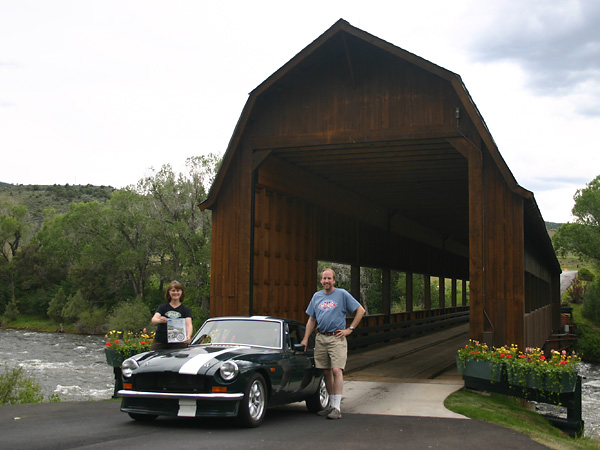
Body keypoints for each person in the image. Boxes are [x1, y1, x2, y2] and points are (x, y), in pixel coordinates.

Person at [300, 268, 365, 420]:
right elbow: (311, 319)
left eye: (329, 279)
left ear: (334, 280)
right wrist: (305, 339)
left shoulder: (341, 294)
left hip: (337, 337)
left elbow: (360, 310)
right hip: (321, 337)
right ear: (321, 280)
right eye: (324, 279)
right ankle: (330, 404)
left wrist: (350, 329)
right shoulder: (316, 296)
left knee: (336, 370)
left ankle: (337, 407)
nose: (326, 281)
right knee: (326, 371)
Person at [150, 280, 193, 350]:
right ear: (169, 293)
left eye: (178, 290)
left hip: (179, 343)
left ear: (181, 293)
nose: (175, 293)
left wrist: (188, 336)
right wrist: (160, 320)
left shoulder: (186, 309)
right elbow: (153, 320)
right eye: (173, 291)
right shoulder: (162, 307)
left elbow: (188, 325)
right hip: (161, 342)